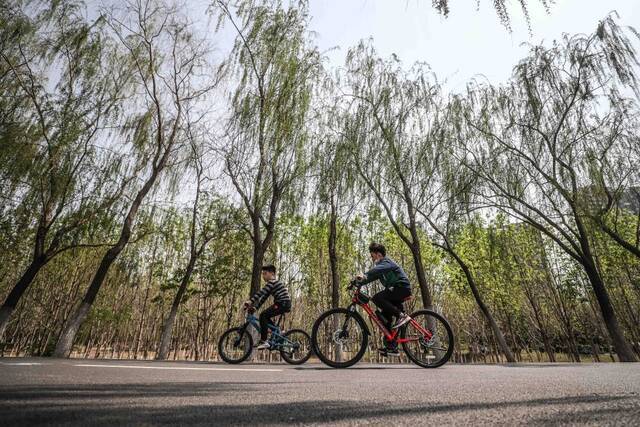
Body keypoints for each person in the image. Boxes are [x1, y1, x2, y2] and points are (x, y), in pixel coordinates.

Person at [356, 242, 412, 357]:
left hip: (401, 287)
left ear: (378, 254)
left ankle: (402, 316)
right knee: (384, 318)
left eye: (372, 256)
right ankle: (392, 346)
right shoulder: (380, 269)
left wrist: (364, 274)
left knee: (377, 298)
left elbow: (375, 271)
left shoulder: (386, 262)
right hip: (394, 292)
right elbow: (371, 277)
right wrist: (357, 282)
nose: (371, 258)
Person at [244, 264, 291, 350]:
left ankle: (264, 341)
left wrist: (250, 301)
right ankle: (277, 332)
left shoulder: (272, 282)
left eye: (265, 273)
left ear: (272, 274)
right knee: (265, 317)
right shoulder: (272, 284)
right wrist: (256, 308)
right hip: (282, 303)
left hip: (282, 303)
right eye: (262, 274)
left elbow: (261, 292)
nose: (263, 276)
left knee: (263, 315)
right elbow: (264, 297)